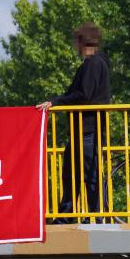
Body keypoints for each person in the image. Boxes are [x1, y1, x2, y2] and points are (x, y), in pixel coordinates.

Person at [37, 22, 111, 221]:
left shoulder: (93, 63)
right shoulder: (95, 64)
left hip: (87, 128)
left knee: (88, 174)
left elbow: (84, 94)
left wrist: (55, 101)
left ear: (82, 41)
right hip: (84, 128)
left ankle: (94, 216)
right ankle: (67, 214)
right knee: (72, 172)